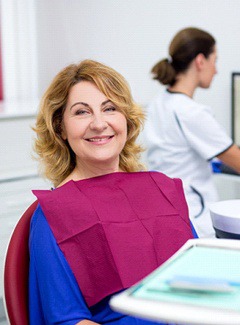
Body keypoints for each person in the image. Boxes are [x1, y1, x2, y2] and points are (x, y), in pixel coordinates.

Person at [29, 59, 196, 325]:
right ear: (60, 127)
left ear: (127, 120)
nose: (99, 123)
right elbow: (67, 320)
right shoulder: (53, 214)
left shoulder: (162, 189)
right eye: (82, 112)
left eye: (109, 108)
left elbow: (200, 281)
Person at [143, 27, 240, 238]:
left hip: (170, 214)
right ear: (200, 61)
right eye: (215, 60)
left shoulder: (159, 103)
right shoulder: (191, 112)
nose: (216, 70)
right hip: (196, 218)